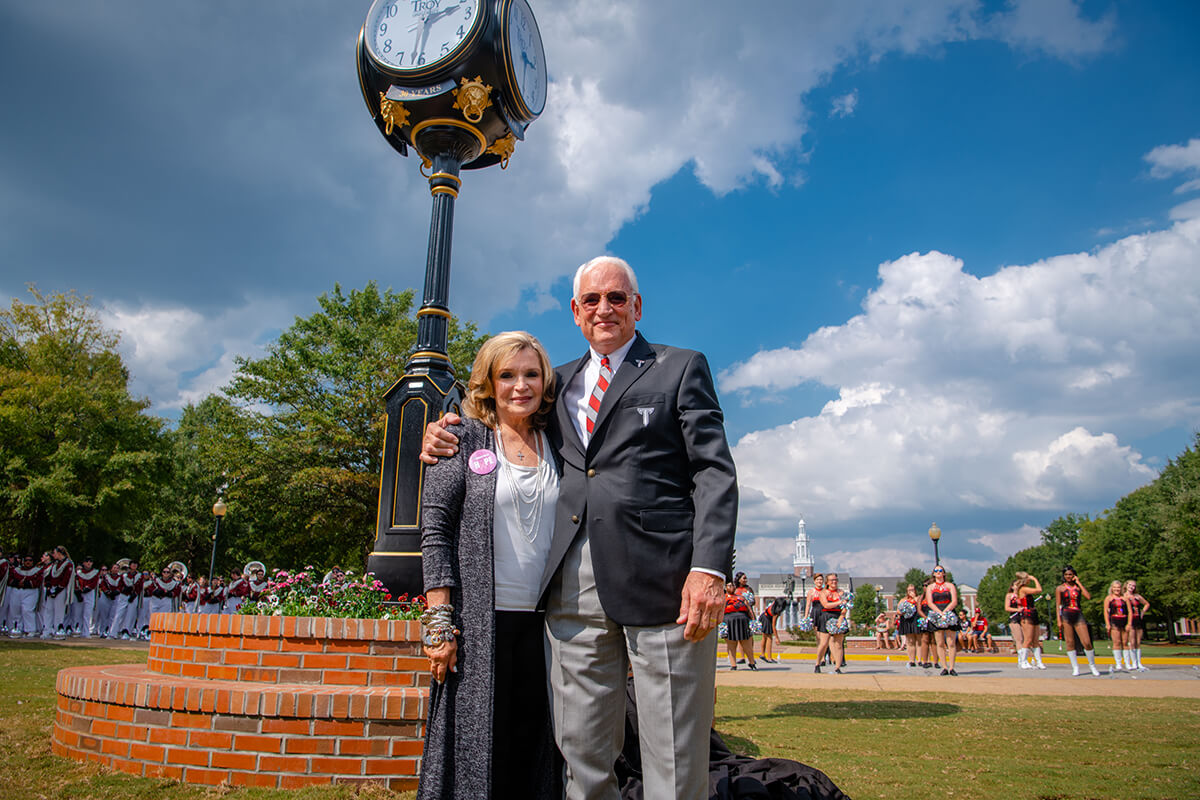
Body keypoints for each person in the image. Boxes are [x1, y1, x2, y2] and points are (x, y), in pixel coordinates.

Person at [423, 256, 738, 800]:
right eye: (591, 300)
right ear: (575, 311)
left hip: (664, 586)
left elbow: (712, 471)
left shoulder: (679, 367)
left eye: (617, 298)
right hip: (572, 590)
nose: (604, 309)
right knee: (582, 753)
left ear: (637, 307)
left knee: (674, 754)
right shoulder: (556, 384)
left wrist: (707, 568)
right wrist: (441, 433)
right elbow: (503, 422)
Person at [417, 331, 561, 800]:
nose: (520, 385)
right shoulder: (460, 437)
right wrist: (440, 624)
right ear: (488, 383)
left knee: (536, 753)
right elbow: (435, 529)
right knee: (478, 756)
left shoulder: (563, 445)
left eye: (531, 374)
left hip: (549, 628)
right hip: (480, 626)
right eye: (507, 375)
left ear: (545, 382)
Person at [1055, 566, 1100, 676]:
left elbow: (1088, 596)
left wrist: (1079, 582)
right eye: (1066, 575)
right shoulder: (1060, 588)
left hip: (1078, 613)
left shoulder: (1078, 587)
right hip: (1066, 614)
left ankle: (1092, 665)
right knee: (1070, 642)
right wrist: (1059, 620)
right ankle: (1075, 667)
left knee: (1087, 642)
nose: (1068, 577)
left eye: (1070, 574)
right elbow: (1058, 605)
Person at [924, 566, 959, 676]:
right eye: (936, 571)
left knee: (951, 642)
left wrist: (946, 612)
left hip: (949, 612)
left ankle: (952, 667)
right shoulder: (930, 587)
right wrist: (939, 613)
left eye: (940, 571)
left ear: (944, 573)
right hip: (936, 613)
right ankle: (944, 666)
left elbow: (954, 601)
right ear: (933, 574)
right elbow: (930, 602)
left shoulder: (950, 586)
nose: (938, 573)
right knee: (939, 642)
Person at [722, 577, 757, 671]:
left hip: (743, 621)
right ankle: (733, 665)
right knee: (731, 645)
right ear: (725, 587)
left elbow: (749, 609)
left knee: (747, 645)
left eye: (733, 585)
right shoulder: (722, 598)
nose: (732, 587)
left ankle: (752, 663)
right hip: (729, 622)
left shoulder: (741, 597)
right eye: (730, 585)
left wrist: (753, 620)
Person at [818, 573, 849, 673]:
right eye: (831, 580)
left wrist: (842, 617)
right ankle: (817, 663)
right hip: (826, 616)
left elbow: (845, 607)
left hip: (838, 616)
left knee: (839, 644)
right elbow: (826, 605)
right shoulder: (824, 593)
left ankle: (838, 667)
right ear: (827, 582)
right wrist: (839, 602)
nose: (834, 582)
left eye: (835, 580)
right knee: (824, 643)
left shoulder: (841, 592)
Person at [1103, 580, 1134, 672]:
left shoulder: (1125, 598)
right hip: (1114, 621)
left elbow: (1130, 611)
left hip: (1124, 620)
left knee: (1125, 642)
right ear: (1112, 588)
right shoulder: (1108, 598)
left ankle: (1128, 663)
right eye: (1115, 587)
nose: (1117, 589)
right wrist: (1107, 624)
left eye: (1118, 587)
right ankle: (1118, 663)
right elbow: (1105, 611)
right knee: (1116, 642)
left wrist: (1129, 623)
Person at [69, 556, 100, 637]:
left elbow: (94, 583)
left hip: (89, 593)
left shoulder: (95, 572)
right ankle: (76, 630)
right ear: (83, 563)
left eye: (90, 561)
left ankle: (86, 632)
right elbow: (76, 583)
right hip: (79, 594)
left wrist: (88, 588)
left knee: (87, 614)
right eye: (87, 561)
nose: (89, 563)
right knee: (77, 613)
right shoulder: (78, 572)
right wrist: (78, 593)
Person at [1124, 580, 1150, 672]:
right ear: (1126, 585)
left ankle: (1139, 662)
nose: (1132, 587)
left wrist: (1142, 612)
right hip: (1129, 620)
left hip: (1138, 619)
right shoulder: (1124, 596)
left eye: (1134, 586)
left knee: (1138, 642)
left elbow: (1147, 604)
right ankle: (1133, 662)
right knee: (1132, 641)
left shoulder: (1137, 596)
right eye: (1130, 585)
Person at [896, 584, 922, 668]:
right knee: (910, 641)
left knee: (919, 641)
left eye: (912, 590)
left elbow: (921, 607)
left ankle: (920, 660)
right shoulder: (903, 600)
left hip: (916, 619)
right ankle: (911, 660)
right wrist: (902, 611)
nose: (911, 592)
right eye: (909, 590)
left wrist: (914, 598)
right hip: (907, 620)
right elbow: (898, 611)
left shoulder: (919, 598)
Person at [759, 595, 786, 663]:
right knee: (769, 638)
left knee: (764, 637)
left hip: (764, 616)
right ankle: (769, 657)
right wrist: (777, 638)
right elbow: (773, 625)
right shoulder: (776, 612)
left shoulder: (774, 605)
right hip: (766, 619)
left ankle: (762, 654)